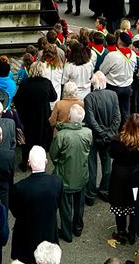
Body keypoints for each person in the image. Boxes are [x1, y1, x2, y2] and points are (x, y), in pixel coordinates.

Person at [9, 146, 62, 264]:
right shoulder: (57, 182)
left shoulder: (20, 187)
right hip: (48, 229)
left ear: (28, 162)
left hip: (26, 233)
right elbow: (58, 203)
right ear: (46, 161)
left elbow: (15, 211)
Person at [49, 103, 92, 242]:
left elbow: (53, 155)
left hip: (65, 176)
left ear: (69, 117)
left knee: (65, 207)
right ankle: (78, 228)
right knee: (79, 205)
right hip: (82, 175)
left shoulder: (61, 135)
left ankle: (67, 233)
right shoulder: (88, 133)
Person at [109, 113, 139, 245]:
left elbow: (111, 154)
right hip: (136, 177)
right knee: (134, 204)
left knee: (119, 203)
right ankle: (132, 232)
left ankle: (121, 232)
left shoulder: (117, 140)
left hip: (119, 177)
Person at [83, 70, 120, 205]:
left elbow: (91, 121)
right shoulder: (113, 95)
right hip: (109, 137)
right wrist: (109, 134)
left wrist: (102, 133)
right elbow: (117, 117)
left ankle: (91, 194)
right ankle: (105, 190)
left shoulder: (89, 98)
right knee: (107, 165)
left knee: (92, 166)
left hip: (94, 136)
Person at [13, 61, 58, 162]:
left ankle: (26, 160)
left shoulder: (25, 83)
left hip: (28, 115)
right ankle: (40, 161)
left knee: (28, 138)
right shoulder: (47, 83)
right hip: (43, 114)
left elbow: (17, 99)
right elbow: (54, 97)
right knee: (41, 138)